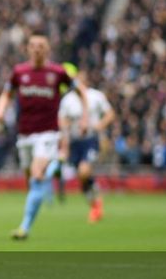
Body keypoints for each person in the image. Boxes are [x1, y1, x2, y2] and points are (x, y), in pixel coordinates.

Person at [0, 32, 88, 240]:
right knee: (31, 181)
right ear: (27, 48)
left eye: (41, 45)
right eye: (33, 45)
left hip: (48, 134)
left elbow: (81, 93)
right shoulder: (20, 72)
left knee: (36, 175)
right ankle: (52, 170)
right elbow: (6, 94)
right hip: (25, 135)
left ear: (47, 49)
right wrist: (0, 110)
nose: (37, 49)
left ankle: (24, 228)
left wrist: (84, 119)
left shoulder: (57, 72)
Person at [59, 71, 115, 223]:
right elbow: (62, 122)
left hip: (90, 139)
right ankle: (95, 204)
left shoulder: (96, 96)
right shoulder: (67, 100)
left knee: (84, 171)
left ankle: (96, 201)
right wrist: (64, 143)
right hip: (74, 141)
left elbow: (110, 114)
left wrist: (99, 125)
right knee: (81, 177)